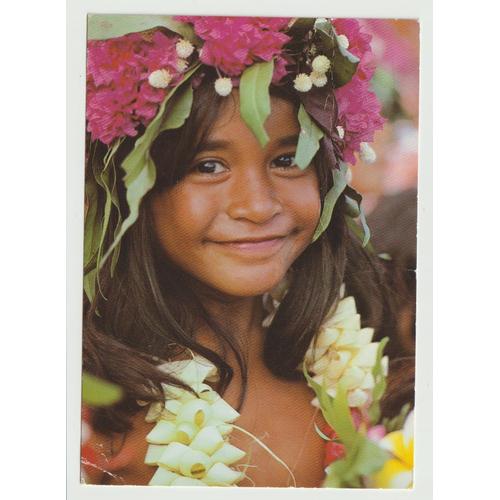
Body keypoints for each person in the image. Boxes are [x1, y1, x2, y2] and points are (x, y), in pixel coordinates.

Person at [82, 15, 415, 488]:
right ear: (134, 190)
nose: (258, 206)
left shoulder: (371, 371)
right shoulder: (89, 415)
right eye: (209, 165)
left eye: (287, 160)